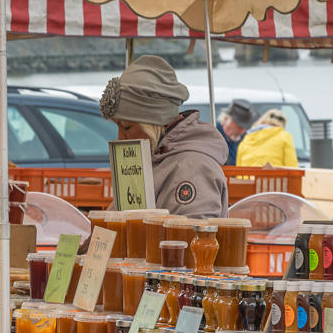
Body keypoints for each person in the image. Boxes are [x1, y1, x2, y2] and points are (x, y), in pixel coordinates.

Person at [100, 54, 229, 218]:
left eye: (126, 127)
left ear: (153, 122)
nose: (120, 137)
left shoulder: (192, 167)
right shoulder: (153, 158)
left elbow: (193, 237)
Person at [216, 98, 257, 165]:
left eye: (245, 127)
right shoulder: (212, 138)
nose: (242, 131)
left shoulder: (246, 140)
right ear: (225, 119)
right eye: (239, 126)